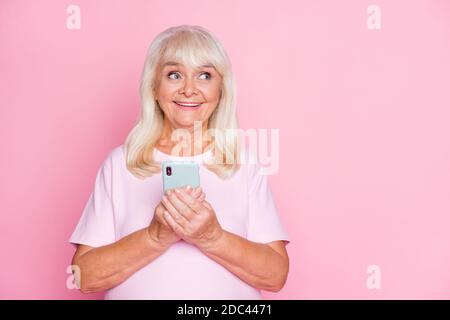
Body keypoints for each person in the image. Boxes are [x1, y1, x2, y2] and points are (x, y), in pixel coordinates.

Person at [69, 25, 290, 299]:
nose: (189, 89)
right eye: (174, 75)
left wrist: (211, 236)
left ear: (221, 89)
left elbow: (276, 275)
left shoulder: (243, 163)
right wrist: (155, 236)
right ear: (154, 86)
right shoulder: (121, 164)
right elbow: (82, 276)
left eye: (204, 76)